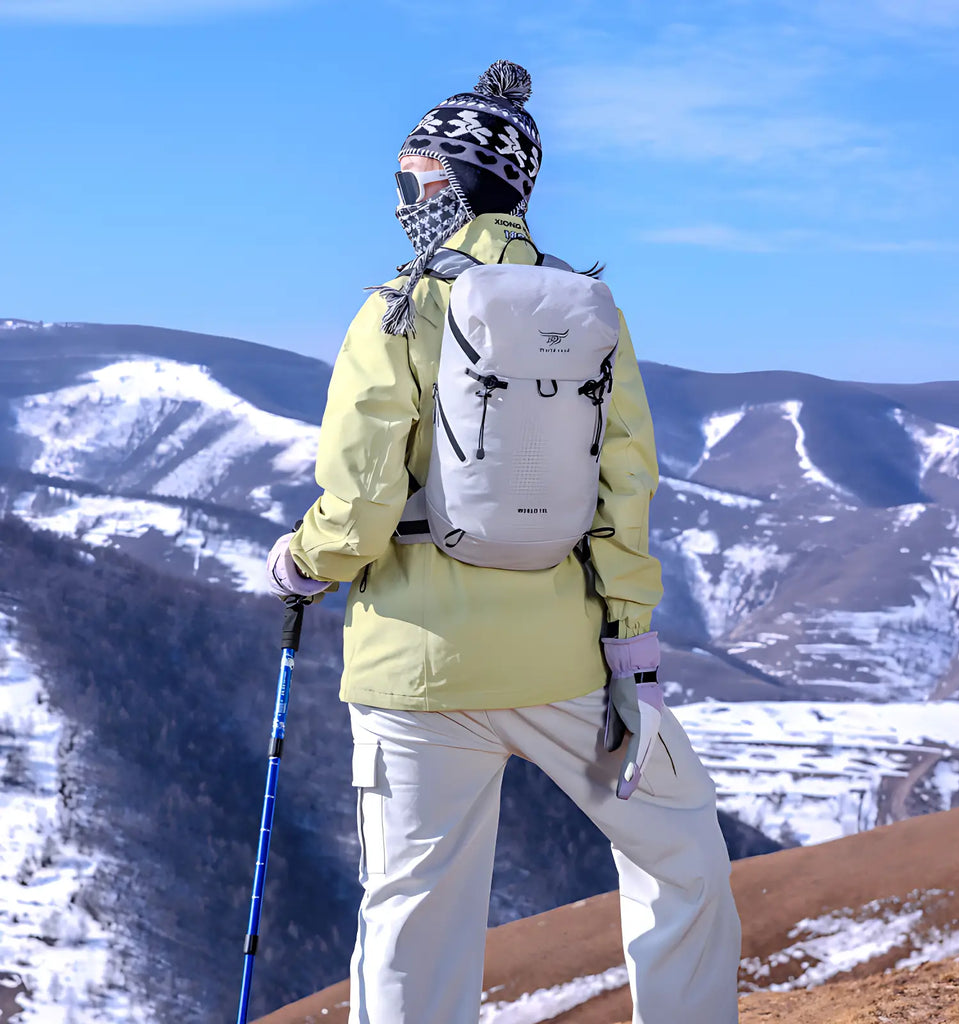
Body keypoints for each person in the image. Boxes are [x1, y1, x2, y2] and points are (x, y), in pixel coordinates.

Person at [266, 60, 741, 1024]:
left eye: (411, 179)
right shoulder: (587, 310)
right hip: (563, 660)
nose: (402, 199)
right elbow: (625, 489)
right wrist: (630, 642)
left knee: (413, 913)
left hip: (415, 675)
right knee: (682, 852)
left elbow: (356, 510)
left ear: (443, 182)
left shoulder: (395, 307)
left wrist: (299, 565)